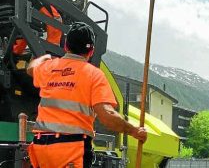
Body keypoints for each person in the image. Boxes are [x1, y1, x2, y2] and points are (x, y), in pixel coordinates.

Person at [26, 22, 147, 168]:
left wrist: (44, 58)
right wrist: (133, 130)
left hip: (41, 148)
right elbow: (107, 116)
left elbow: (31, 68)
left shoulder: (49, 68)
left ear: (66, 46)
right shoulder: (93, 75)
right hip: (71, 151)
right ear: (91, 51)